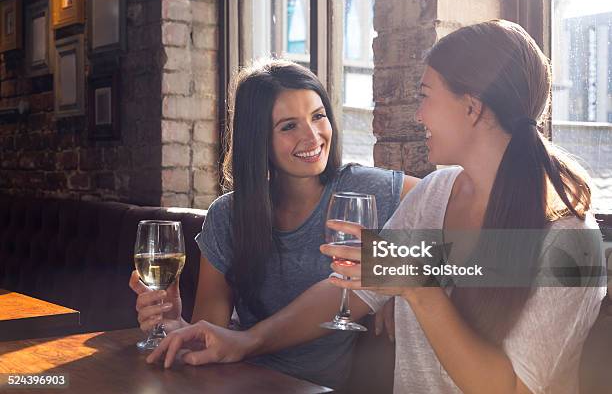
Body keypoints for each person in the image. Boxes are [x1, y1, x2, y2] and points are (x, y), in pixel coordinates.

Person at [144, 20, 607, 393]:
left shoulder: (569, 242)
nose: (417, 115)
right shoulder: (436, 195)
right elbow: (356, 289)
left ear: (473, 108)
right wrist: (246, 341)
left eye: (425, 97)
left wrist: (420, 292)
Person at [130, 59, 418, 389]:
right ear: (258, 140)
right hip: (236, 383)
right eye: (288, 126)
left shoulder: (366, 190)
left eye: (318, 116)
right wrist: (175, 325)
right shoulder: (227, 215)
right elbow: (210, 335)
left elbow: (455, 223)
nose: (312, 136)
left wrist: (398, 286)